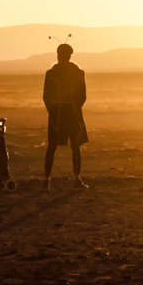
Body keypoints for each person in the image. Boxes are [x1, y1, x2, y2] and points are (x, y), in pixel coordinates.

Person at [42, 43, 89, 190]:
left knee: (52, 146)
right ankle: (76, 179)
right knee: (76, 146)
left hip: (57, 113)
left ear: (58, 55)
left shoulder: (50, 73)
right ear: (70, 56)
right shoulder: (79, 73)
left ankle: (46, 181)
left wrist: (53, 111)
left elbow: (46, 97)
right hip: (74, 112)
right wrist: (75, 107)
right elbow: (83, 96)